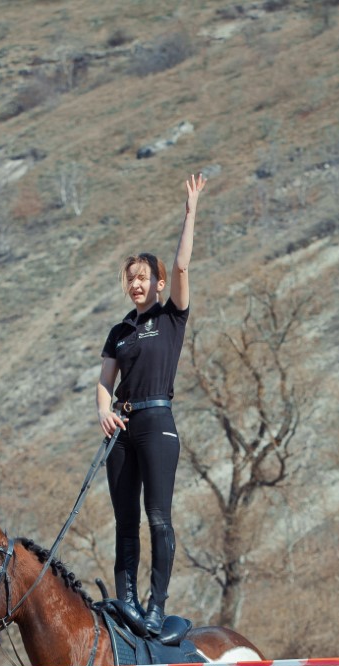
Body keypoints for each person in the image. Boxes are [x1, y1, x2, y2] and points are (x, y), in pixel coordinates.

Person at [96, 173, 207, 637]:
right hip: (122, 429)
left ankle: (156, 605)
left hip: (158, 422)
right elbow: (105, 381)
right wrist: (104, 411)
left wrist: (190, 212)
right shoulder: (120, 330)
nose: (136, 284)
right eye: (131, 279)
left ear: (158, 283)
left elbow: (181, 266)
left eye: (143, 277)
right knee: (125, 521)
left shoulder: (171, 316)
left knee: (157, 517)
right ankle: (126, 602)